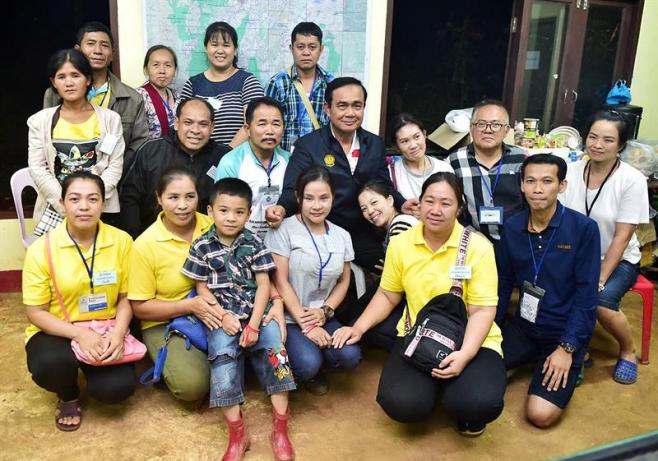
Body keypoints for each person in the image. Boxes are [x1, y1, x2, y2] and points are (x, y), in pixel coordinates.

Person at [333, 172, 506, 437]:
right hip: (419, 335)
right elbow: (387, 294)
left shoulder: (478, 247)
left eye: (446, 203)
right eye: (429, 201)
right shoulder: (402, 244)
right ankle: (434, 389)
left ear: (459, 208)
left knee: (476, 403)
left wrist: (465, 354)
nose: (436, 210)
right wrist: (359, 328)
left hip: (472, 339)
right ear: (419, 203)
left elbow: (482, 310)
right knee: (401, 404)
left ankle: (456, 395)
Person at [181, 178, 296, 461]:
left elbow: (265, 285)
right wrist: (223, 316)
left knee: (277, 356)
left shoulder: (254, 242)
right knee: (221, 360)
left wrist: (255, 324)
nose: (231, 218)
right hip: (223, 316)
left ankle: (280, 429)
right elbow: (201, 287)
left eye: (239, 212)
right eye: (224, 210)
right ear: (210, 211)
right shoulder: (201, 245)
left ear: (248, 213)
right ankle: (237, 435)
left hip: (259, 312)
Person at [22, 172, 135, 432]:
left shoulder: (122, 241)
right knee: (50, 365)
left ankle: (93, 368)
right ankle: (68, 392)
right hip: (59, 328)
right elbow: (35, 311)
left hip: (107, 328)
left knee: (115, 390)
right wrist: (80, 335)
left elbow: (126, 297)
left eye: (92, 199)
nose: (84, 206)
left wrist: (118, 333)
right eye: (75, 199)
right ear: (62, 204)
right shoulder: (42, 249)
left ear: (103, 204)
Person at [266, 77, 412, 273]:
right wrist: (282, 208)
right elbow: (294, 188)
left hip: (364, 232)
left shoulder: (374, 144)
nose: (350, 113)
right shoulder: (308, 145)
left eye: (357, 106)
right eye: (342, 106)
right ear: (327, 108)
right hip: (323, 230)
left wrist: (402, 203)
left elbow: (383, 185)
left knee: (390, 270)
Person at [498, 154, 601, 428]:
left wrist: (567, 348)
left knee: (540, 415)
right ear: (521, 185)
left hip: (562, 333)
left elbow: (587, 296)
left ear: (562, 185)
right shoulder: (512, 227)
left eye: (547, 181)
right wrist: (491, 331)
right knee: (481, 371)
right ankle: (530, 358)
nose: (538, 189)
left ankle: (573, 359)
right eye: (530, 181)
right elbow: (503, 283)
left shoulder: (584, 230)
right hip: (524, 326)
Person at [560, 110, 650, 385]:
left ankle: (626, 351)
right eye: (593, 137)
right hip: (575, 253)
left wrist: (598, 278)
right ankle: (576, 349)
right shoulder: (571, 170)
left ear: (621, 145)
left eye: (608, 140)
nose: (597, 145)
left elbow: (622, 237)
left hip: (618, 257)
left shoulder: (632, 180)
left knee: (600, 300)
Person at [266, 166, 362, 395]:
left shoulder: (342, 235)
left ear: (333, 198)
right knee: (307, 364)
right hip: (290, 316)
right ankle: (301, 368)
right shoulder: (284, 230)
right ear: (298, 198)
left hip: (322, 315)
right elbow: (280, 281)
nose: (316, 205)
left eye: (323, 198)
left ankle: (318, 360)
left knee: (351, 356)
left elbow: (343, 281)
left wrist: (326, 311)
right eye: (309, 198)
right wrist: (306, 324)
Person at [29, 48, 124, 236]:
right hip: (55, 207)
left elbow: (114, 165)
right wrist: (67, 204)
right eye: (61, 77)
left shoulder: (110, 120)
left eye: (75, 75)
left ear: (88, 79)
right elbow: (37, 167)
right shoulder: (39, 121)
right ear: (53, 82)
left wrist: (92, 202)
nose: (69, 83)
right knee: (56, 262)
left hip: (100, 209)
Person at [43, 21, 147, 176]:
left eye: (104, 45)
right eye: (91, 44)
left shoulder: (132, 99)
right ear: (77, 50)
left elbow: (138, 147)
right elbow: (45, 143)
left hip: (114, 181)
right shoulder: (55, 94)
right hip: (64, 181)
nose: (98, 50)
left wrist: (109, 174)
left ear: (112, 53)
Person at [119, 98, 231, 239]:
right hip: (154, 242)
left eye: (203, 124)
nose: (195, 130)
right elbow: (129, 198)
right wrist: (135, 239)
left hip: (208, 244)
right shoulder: (150, 151)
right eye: (188, 123)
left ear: (212, 127)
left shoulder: (225, 157)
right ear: (177, 123)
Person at [351, 180, 419, 350]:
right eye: (364, 209)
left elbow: (398, 272)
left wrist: (389, 267)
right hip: (408, 296)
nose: (370, 211)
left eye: (374, 202)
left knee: (366, 325)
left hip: (417, 299)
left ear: (390, 200)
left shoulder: (401, 223)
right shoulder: (393, 227)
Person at [448, 99, 526, 244]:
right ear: (471, 128)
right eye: (481, 124)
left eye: (496, 124)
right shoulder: (454, 161)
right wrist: (472, 235)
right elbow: (451, 208)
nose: (488, 129)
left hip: (517, 239)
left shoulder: (521, 158)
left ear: (506, 130)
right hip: (470, 241)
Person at [215, 97, 290, 239]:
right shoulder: (231, 162)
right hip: (241, 243)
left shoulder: (290, 160)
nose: (270, 131)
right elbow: (222, 211)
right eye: (262, 124)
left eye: (276, 124)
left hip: (282, 242)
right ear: (247, 129)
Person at [180, 21, 264, 147]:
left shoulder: (248, 81)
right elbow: (181, 124)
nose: (220, 50)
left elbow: (254, 123)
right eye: (214, 45)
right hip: (199, 159)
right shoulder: (192, 85)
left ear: (235, 50)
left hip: (238, 158)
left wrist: (225, 155)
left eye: (226, 45)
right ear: (206, 49)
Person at [265, 21, 334, 152]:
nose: (306, 52)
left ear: (321, 49)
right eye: (300, 47)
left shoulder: (331, 84)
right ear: (291, 48)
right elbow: (267, 127)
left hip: (323, 161)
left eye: (312, 47)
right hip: (286, 162)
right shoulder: (277, 83)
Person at [388, 113, 453, 208]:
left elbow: (457, 205)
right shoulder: (391, 173)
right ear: (396, 147)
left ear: (425, 134)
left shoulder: (444, 168)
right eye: (405, 141)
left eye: (417, 137)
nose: (413, 145)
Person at [136, 45, 179, 140]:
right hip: (150, 153)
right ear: (146, 69)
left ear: (175, 70)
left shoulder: (177, 96)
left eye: (168, 65)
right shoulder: (138, 97)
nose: (162, 71)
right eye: (156, 65)